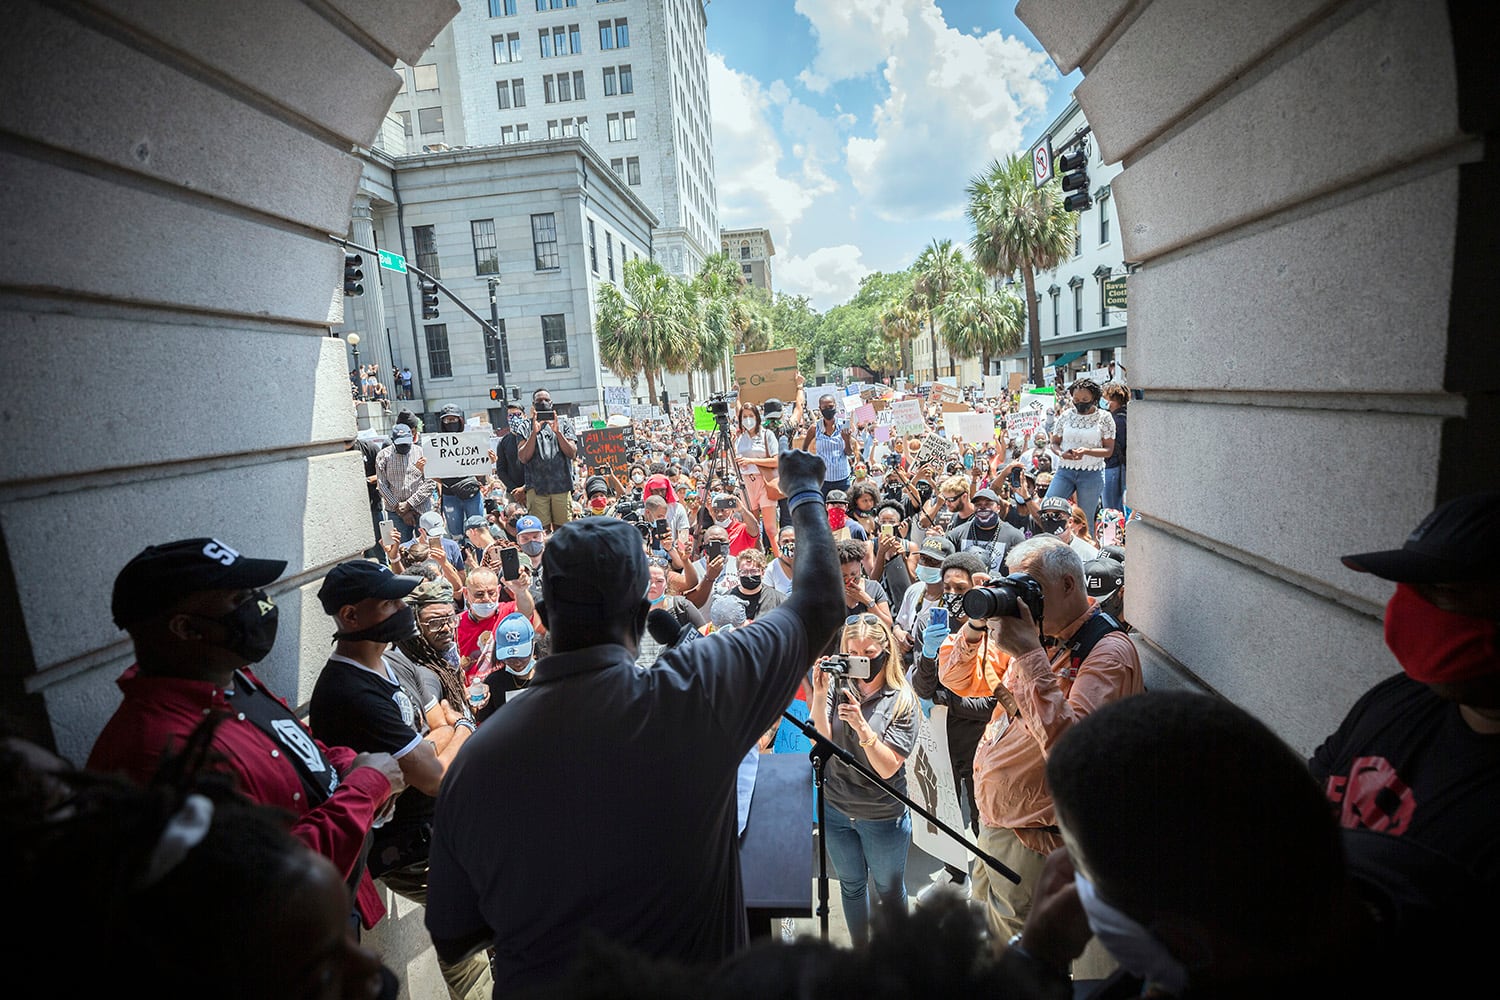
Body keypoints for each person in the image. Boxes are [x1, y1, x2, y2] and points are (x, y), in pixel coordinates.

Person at [423, 449, 845, 994]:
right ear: (642, 615)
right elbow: (819, 606)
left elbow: (456, 931)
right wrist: (804, 492)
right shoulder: (695, 692)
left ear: (545, 618)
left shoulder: (477, 757)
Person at [87, 538, 405, 933]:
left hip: (330, 917)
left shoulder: (232, 678)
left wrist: (346, 764)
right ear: (185, 628)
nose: (261, 606)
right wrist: (365, 789)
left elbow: (293, 746)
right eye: (239, 598)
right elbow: (269, 884)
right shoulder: (159, 750)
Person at [1017, 691, 1375, 998]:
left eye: (1084, 870)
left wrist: (1036, 961)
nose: (1067, 869)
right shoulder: (1367, 874)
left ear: (1184, 944)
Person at [12, 729, 401, 1000]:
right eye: (321, 976)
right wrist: (363, 789)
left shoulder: (239, 695)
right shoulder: (151, 737)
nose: (372, 963)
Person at [939, 534, 1141, 978]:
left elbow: (1074, 754)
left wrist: (1029, 655)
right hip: (995, 823)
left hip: (1034, 840)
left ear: (1070, 585)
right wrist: (979, 621)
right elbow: (955, 677)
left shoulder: (1107, 651)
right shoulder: (1038, 637)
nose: (1022, 601)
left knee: (1019, 964)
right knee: (987, 950)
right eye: (1015, 588)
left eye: (1031, 589)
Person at [1309, 492, 1500, 957]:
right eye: (1408, 589)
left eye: (1446, 592)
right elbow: (1302, 809)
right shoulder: (1400, 698)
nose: (1408, 612)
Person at [309, 560, 490, 1000]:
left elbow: (430, 746)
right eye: (388, 603)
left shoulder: (388, 668)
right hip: (410, 851)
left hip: (438, 835)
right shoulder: (351, 690)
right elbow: (433, 776)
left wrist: (440, 739)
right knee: (475, 950)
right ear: (350, 617)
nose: (401, 611)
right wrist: (462, 725)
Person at [809, 614, 920, 947]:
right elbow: (823, 743)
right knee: (852, 885)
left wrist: (862, 728)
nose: (860, 662)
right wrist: (818, 693)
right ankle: (862, 956)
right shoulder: (838, 687)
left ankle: (896, 955)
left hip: (882, 815)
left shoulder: (901, 699)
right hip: (837, 809)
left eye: (868, 655)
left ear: (886, 652)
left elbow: (887, 769)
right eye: (852, 654)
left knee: (888, 889)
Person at [910, 551, 995, 902]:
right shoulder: (931, 621)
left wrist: (951, 701)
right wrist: (930, 656)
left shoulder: (993, 631)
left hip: (980, 745)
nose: (952, 594)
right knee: (943, 814)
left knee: (982, 820)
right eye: (947, 587)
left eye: (960, 588)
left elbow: (993, 703)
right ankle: (955, 875)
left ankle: (990, 884)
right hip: (940, 743)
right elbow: (922, 686)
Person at [1045, 379, 1115, 522]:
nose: (1079, 402)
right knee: (1047, 508)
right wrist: (1060, 453)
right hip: (1065, 471)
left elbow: (1108, 450)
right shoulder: (1065, 416)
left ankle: (1085, 543)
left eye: (1084, 399)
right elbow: (1055, 443)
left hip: (1092, 474)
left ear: (1094, 399)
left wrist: (1086, 451)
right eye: (1076, 399)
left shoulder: (1105, 418)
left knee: (1085, 519)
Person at [517, 388, 578, 529]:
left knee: (563, 530)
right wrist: (534, 433)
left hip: (561, 487)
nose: (543, 403)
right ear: (533, 404)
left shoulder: (564, 425)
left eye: (546, 400)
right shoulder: (525, 427)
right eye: (539, 401)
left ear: (552, 403)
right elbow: (523, 457)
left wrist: (557, 432)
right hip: (537, 489)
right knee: (540, 530)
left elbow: (572, 453)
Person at [734, 400, 781, 556]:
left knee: (770, 528)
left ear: (757, 416)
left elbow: (776, 460)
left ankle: (780, 559)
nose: (748, 419)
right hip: (746, 483)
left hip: (764, 482)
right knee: (752, 526)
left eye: (751, 415)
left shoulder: (767, 435)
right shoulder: (739, 437)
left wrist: (752, 461)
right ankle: (756, 558)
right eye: (744, 416)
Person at [946, 488, 1027, 577]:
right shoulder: (956, 534)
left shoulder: (1014, 537)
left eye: (988, 504)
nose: (983, 507)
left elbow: (1020, 572)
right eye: (978, 504)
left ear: (998, 508)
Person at [377, 423, 435, 543]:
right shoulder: (383, 456)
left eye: (406, 443)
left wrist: (409, 504)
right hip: (396, 512)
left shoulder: (422, 453)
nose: (404, 446)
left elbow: (430, 483)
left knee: (428, 546)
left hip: (422, 508)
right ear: (393, 441)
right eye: (400, 444)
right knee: (401, 548)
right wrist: (399, 509)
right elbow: (382, 485)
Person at [435, 404, 486, 538]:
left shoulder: (473, 441)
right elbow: (433, 474)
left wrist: (490, 461)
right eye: (447, 420)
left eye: (454, 419)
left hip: (472, 494)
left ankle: (481, 558)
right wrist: (424, 469)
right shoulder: (435, 444)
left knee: (479, 531)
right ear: (442, 422)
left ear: (461, 420)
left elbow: (480, 474)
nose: (450, 423)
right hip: (449, 495)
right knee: (456, 535)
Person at [709, 549, 786, 628]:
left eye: (753, 571)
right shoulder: (726, 600)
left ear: (762, 572)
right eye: (744, 572)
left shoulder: (779, 600)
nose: (749, 575)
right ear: (738, 574)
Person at [803, 393, 855, 496]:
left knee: (844, 508)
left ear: (836, 406)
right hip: (823, 481)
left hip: (842, 479)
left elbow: (849, 453)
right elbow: (804, 449)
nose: (828, 409)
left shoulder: (844, 426)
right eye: (825, 407)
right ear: (820, 408)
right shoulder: (814, 428)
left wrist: (846, 440)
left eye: (830, 406)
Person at [840, 538, 892, 630]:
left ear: (860, 567)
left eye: (853, 574)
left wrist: (868, 601)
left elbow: (887, 624)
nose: (849, 580)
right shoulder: (831, 592)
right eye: (844, 576)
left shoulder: (874, 588)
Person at [1099, 381, 1128, 512]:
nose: (1103, 401)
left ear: (1114, 400)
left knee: (1111, 510)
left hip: (1113, 466)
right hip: (1116, 466)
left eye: (1105, 397)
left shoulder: (1117, 420)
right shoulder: (1124, 416)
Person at [764, 524, 797, 596]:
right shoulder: (771, 569)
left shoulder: (809, 565)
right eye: (785, 541)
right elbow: (768, 598)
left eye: (793, 541)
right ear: (779, 544)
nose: (790, 545)